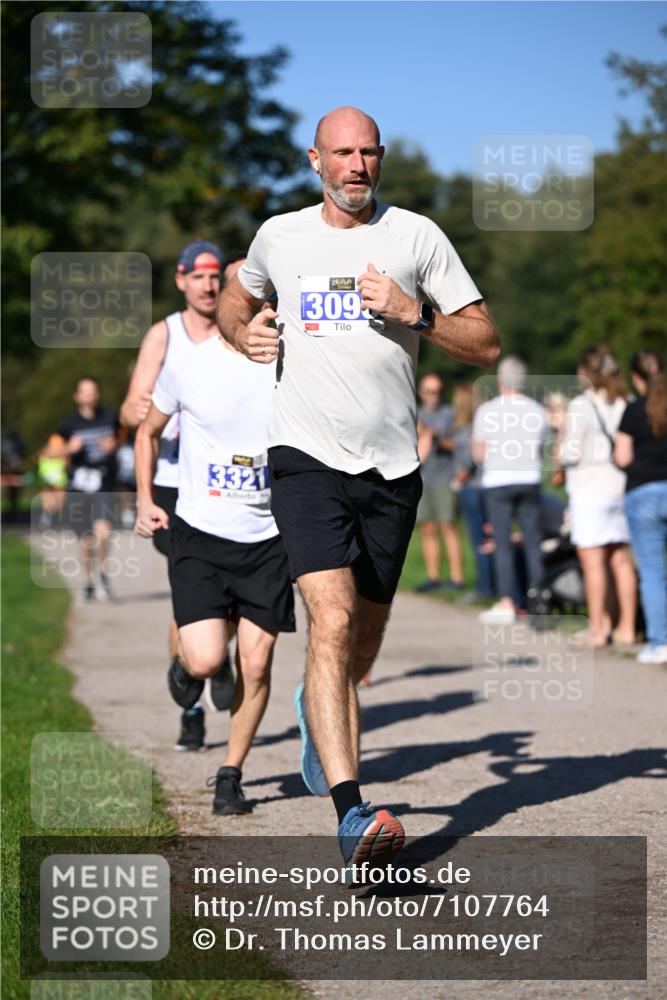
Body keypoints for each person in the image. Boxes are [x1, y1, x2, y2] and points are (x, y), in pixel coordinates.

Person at [217, 105, 499, 867]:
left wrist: (415, 312)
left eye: (368, 154)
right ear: (315, 160)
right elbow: (236, 300)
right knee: (330, 620)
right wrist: (244, 331)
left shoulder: (415, 237)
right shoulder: (279, 235)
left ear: (380, 160)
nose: (356, 167)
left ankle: (323, 706)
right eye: (341, 154)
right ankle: (350, 814)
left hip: (391, 468)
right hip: (303, 455)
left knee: (359, 644)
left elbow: (485, 342)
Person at [134, 293, 296, 816]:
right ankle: (191, 666)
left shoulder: (291, 365)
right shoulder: (190, 366)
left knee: (258, 661)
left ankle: (231, 774)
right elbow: (147, 431)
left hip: (269, 540)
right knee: (206, 657)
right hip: (201, 534)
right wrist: (144, 499)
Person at [120, 240, 235, 751]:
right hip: (175, 485)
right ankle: (191, 705)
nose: (209, 286)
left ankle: (218, 653)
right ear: (181, 281)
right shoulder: (164, 335)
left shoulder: (239, 328)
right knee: (189, 598)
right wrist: (149, 412)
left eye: (216, 277)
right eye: (199, 277)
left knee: (234, 598)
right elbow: (129, 412)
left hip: (234, 482)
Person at [558, 346, 635, 647]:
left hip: (589, 489)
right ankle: (626, 627)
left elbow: (571, 453)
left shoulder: (581, 405)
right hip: (622, 486)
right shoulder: (626, 401)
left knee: (593, 563)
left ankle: (598, 628)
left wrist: (559, 449)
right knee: (621, 560)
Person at [472, 356, 548, 625]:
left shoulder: (487, 411)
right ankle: (539, 602)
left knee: (502, 544)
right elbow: (543, 447)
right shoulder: (538, 411)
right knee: (532, 542)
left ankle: (507, 603)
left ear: (501, 380)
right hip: (529, 478)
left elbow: (479, 454)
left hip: (498, 481)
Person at [44, 377, 119, 601]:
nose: (89, 396)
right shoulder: (68, 425)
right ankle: (88, 580)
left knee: (104, 533)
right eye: (84, 392)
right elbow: (49, 452)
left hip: (103, 482)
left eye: (93, 391)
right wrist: (69, 448)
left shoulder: (110, 418)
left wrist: (114, 446)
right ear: (77, 396)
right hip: (78, 485)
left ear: (98, 394)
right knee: (86, 540)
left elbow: (126, 442)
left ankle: (103, 574)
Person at [615, 350, 667, 664]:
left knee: (652, 572)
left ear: (636, 378)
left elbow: (623, 458)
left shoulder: (633, 411)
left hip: (644, 494)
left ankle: (660, 642)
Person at [415, 373, 464, 592]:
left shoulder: (450, 415)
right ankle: (433, 577)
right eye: (428, 391)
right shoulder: (414, 414)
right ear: (420, 393)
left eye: (436, 391)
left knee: (448, 526)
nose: (433, 396)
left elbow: (460, 446)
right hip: (423, 479)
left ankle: (456, 578)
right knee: (427, 528)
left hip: (445, 478)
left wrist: (435, 438)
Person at [450, 383, 495, 603]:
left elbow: (469, 460)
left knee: (479, 539)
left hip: (474, 488)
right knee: (488, 537)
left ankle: (484, 586)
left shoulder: (469, 429)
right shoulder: (484, 424)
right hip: (485, 488)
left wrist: (457, 482)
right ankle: (491, 583)